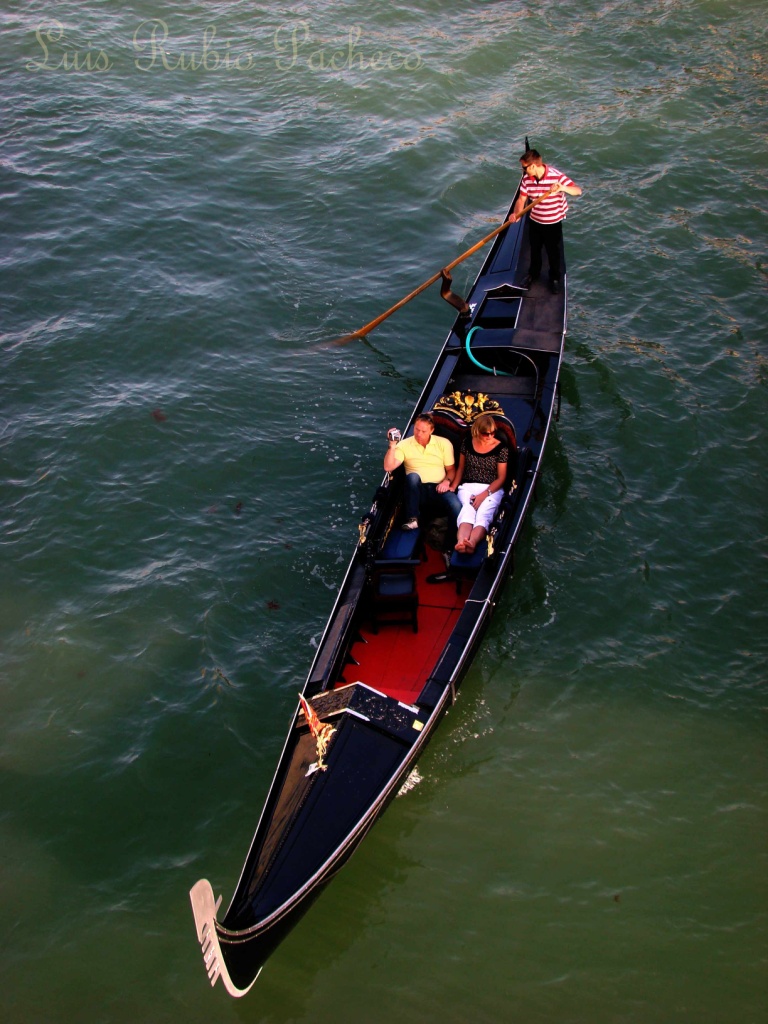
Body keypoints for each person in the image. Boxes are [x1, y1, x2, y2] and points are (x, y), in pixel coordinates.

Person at [510, 148, 582, 295]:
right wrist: (516, 213)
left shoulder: (556, 176)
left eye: (524, 168)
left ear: (533, 166)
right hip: (535, 220)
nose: (523, 171)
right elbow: (521, 199)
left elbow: (577, 191)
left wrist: (562, 188)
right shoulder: (527, 179)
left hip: (552, 222)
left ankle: (554, 279)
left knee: (553, 253)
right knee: (535, 250)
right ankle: (533, 274)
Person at [384, 414, 462, 530]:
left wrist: (446, 482)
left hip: (438, 488)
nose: (419, 434)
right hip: (416, 490)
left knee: (456, 505)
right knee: (413, 477)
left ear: (432, 430)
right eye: (417, 429)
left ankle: (454, 533)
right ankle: (413, 519)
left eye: (423, 431)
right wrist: (392, 445)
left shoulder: (444, 443)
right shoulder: (404, 445)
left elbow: (451, 470)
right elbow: (388, 467)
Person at [447, 414, 509, 554]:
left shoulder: (501, 448)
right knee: (467, 511)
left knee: (484, 514)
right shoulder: (467, 443)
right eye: (486, 433)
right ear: (477, 431)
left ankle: (472, 542)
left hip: (491, 488)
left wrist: (484, 494)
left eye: (493, 432)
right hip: (468, 486)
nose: (490, 436)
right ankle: (461, 542)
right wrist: (453, 487)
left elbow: (501, 478)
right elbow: (461, 469)